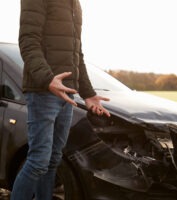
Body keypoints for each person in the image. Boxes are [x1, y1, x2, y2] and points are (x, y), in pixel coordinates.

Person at [10, 0, 110, 199]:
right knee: (39, 161)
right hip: (42, 92)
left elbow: (76, 54)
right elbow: (28, 41)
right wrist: (48, 79)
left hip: (67, 94)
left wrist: (87, 93)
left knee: (54, 159)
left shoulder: (75, 5)